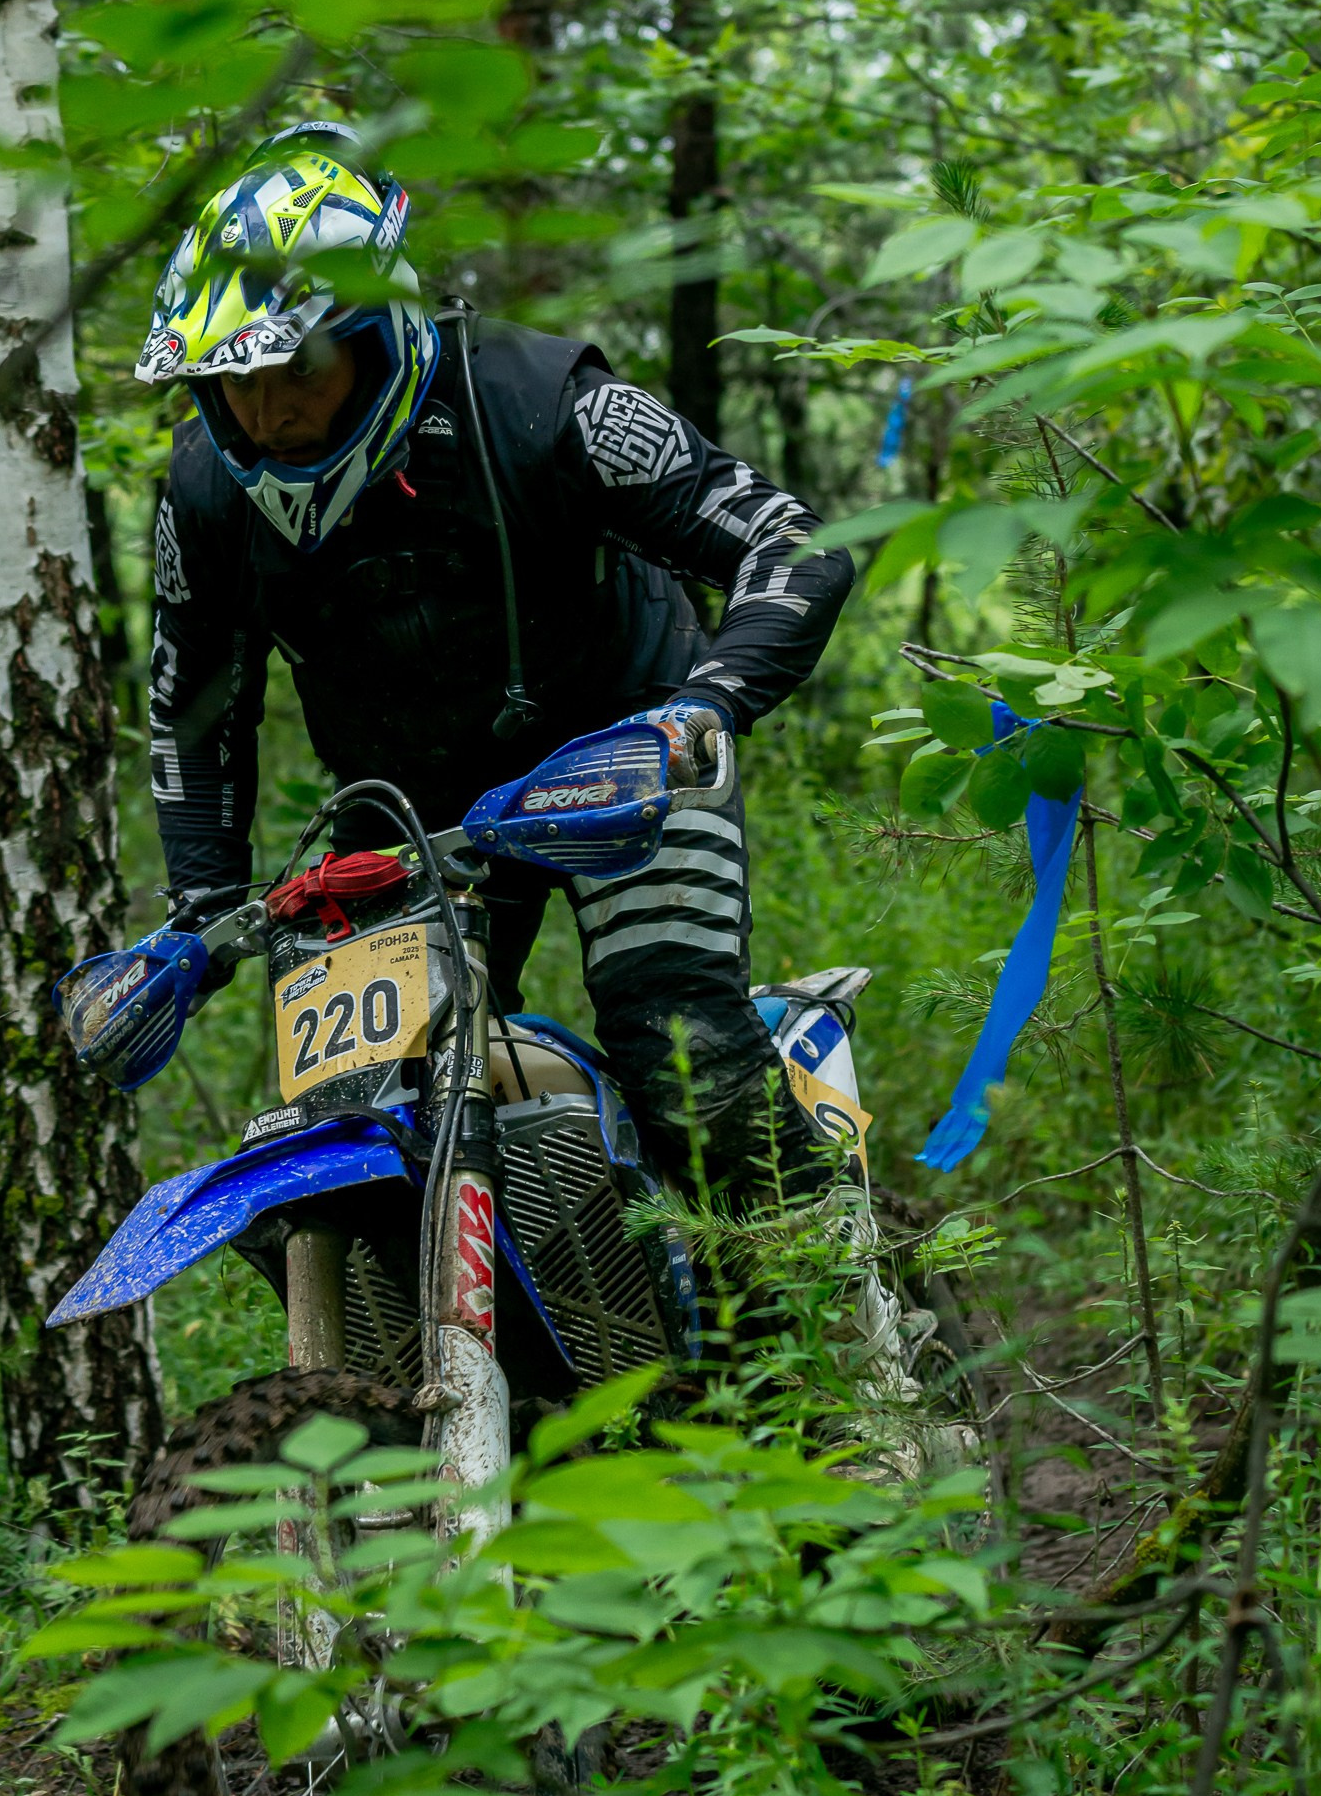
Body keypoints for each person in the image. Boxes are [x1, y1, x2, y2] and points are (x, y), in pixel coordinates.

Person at [137, 123, 855, 1213]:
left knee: (681, 1047)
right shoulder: (204, 498)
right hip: (411, 804)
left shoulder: (545, 405)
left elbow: (790, 541)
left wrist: (706, 705)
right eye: (234, 384)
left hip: (626, 741)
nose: (268, 412)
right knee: (368, 1108)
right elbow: (192, 712)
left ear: (378, 335)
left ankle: (830, 1325)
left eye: (298, 368)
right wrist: (199, 907)